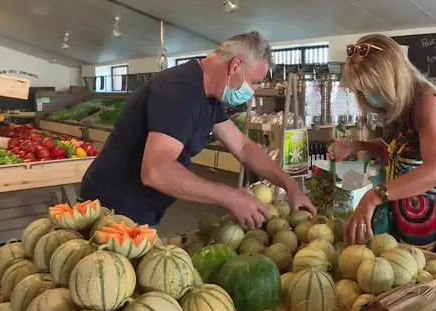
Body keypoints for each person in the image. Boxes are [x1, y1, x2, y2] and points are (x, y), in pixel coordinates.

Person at [81, 31, 316, 228]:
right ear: (236, 65)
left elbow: (243, 147)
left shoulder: (210, 95)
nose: (251, 90)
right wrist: (232, 197)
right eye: (253, 82)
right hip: (113, 209)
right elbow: (156, 171)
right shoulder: (179, 90)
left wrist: (290, 185)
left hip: (141, 208)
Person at [329, 34, 436, 259]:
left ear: (392, 77)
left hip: (435, 218)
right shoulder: (395, 105)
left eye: (372, 88)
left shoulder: (425, 102)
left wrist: (375, 196)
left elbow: (435, 169)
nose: (368, 96)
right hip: (404, 209)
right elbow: (397, 150)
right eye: (362, 90)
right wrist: (356, 145)